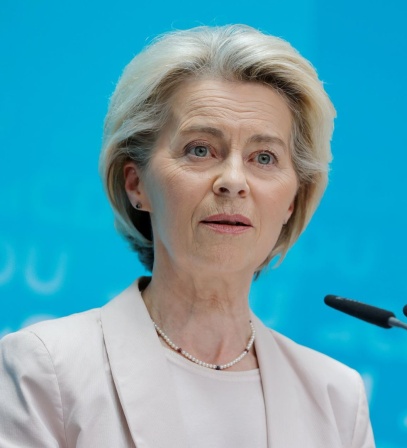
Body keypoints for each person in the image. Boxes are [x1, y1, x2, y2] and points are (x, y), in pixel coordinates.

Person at [0, 25, 375, 447]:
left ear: (292, 200)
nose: (233, 181)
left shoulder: (336, 397)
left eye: (264, 157)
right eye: (200, 149)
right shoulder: (45, 367)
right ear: (135, 183)